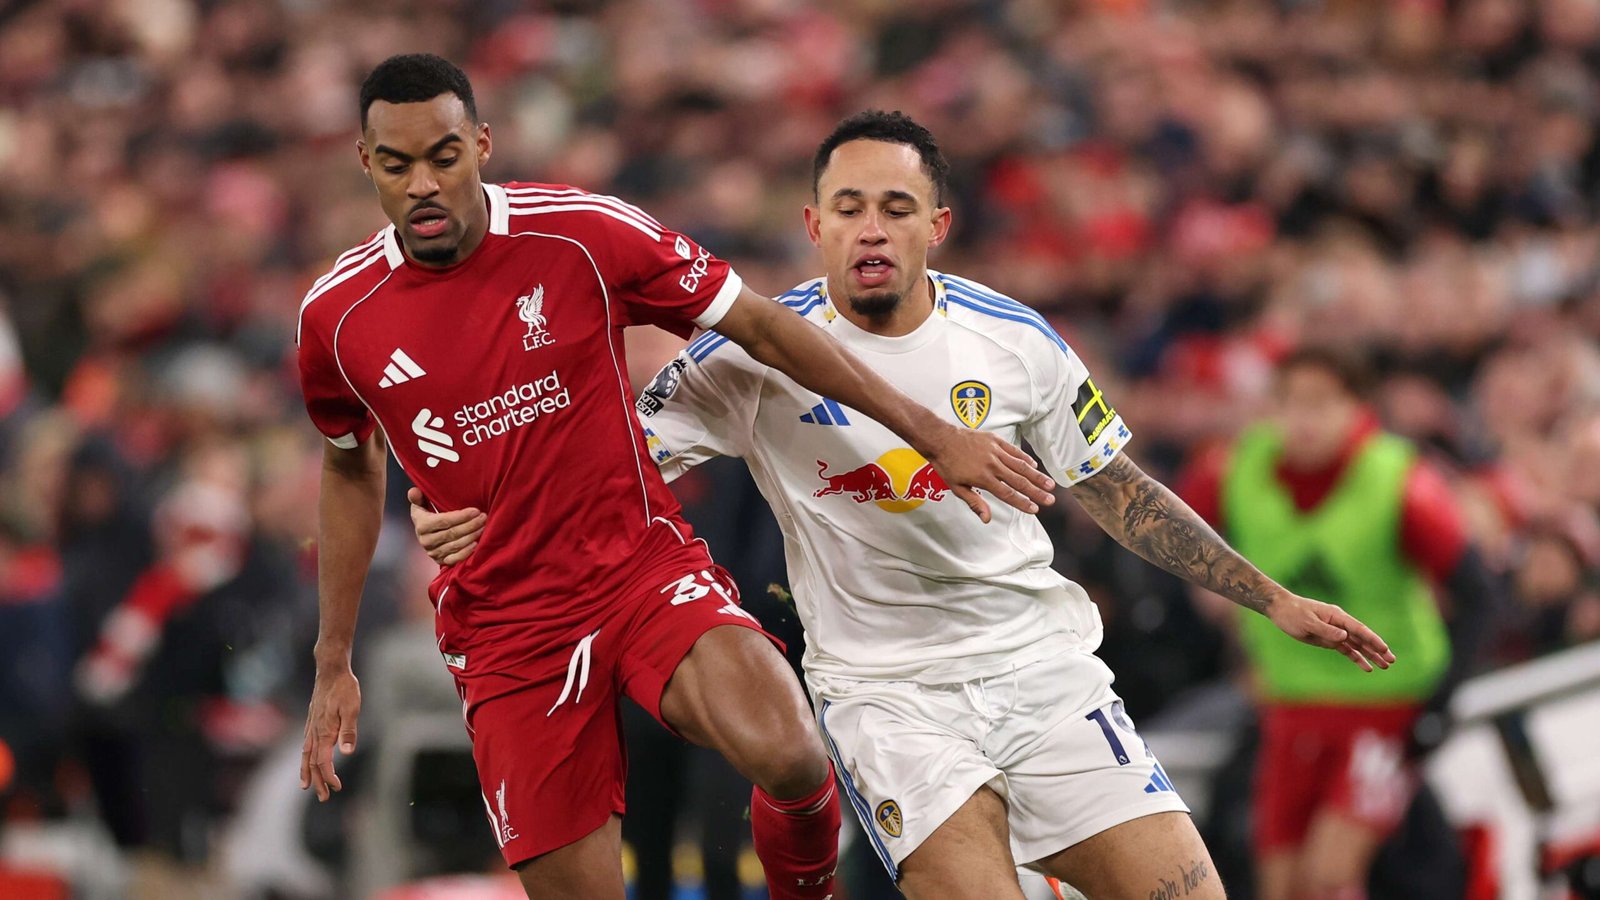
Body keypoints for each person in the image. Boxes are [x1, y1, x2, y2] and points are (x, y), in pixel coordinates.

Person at [413, 109, 1396, 900]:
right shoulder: (749, 359)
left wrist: (1272, 598)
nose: (871, 228)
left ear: (937, 226)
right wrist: (468, 510)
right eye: (847, 207)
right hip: (887, 699)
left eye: (895, 207)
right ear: (815, 227)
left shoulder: (1013, 341)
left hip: (1042, 672)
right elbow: (600, 469)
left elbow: (1117, 489)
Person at [294, 56, 1057, 900]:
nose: (423, 184)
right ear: (365, 162)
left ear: (481, 144)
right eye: (396, 164)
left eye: (444, 157)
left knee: (793, 755)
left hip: (637, 571)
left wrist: (930, 433)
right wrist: (334, 659)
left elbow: (762, 326)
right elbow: (350, 464)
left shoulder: (583, 234)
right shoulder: (336, 315)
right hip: (508, 630)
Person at [1176, 346, 1497, 900]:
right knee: (1279, 885)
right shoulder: (1237, 466)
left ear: (1357, 407)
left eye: (1321, 403)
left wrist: (1441, 704)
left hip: (1384, 705)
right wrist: (1220, 611)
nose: (1303, 420)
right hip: (1288, 706)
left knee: (1329, 876)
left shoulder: (1399, 478)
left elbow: (1479, 595)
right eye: (1289, 402)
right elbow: (1165, 532)